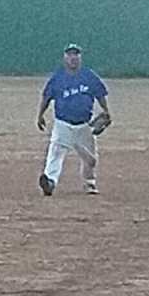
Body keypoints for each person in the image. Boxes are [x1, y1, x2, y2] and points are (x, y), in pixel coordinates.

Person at [36, 43, 111, 196]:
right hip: (62, 125)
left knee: (91, 160)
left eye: (76, 55)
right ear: (65, 58)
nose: (73, 58)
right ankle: (50, 181)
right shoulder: (58, 78)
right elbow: (47, 97)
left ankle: (89, 183)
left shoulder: (88, 76)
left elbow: (100, 94)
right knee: (55, 154)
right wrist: (40, 115)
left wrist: (106, 110)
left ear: (80, 57)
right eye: (70, 55)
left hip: (84, 126)